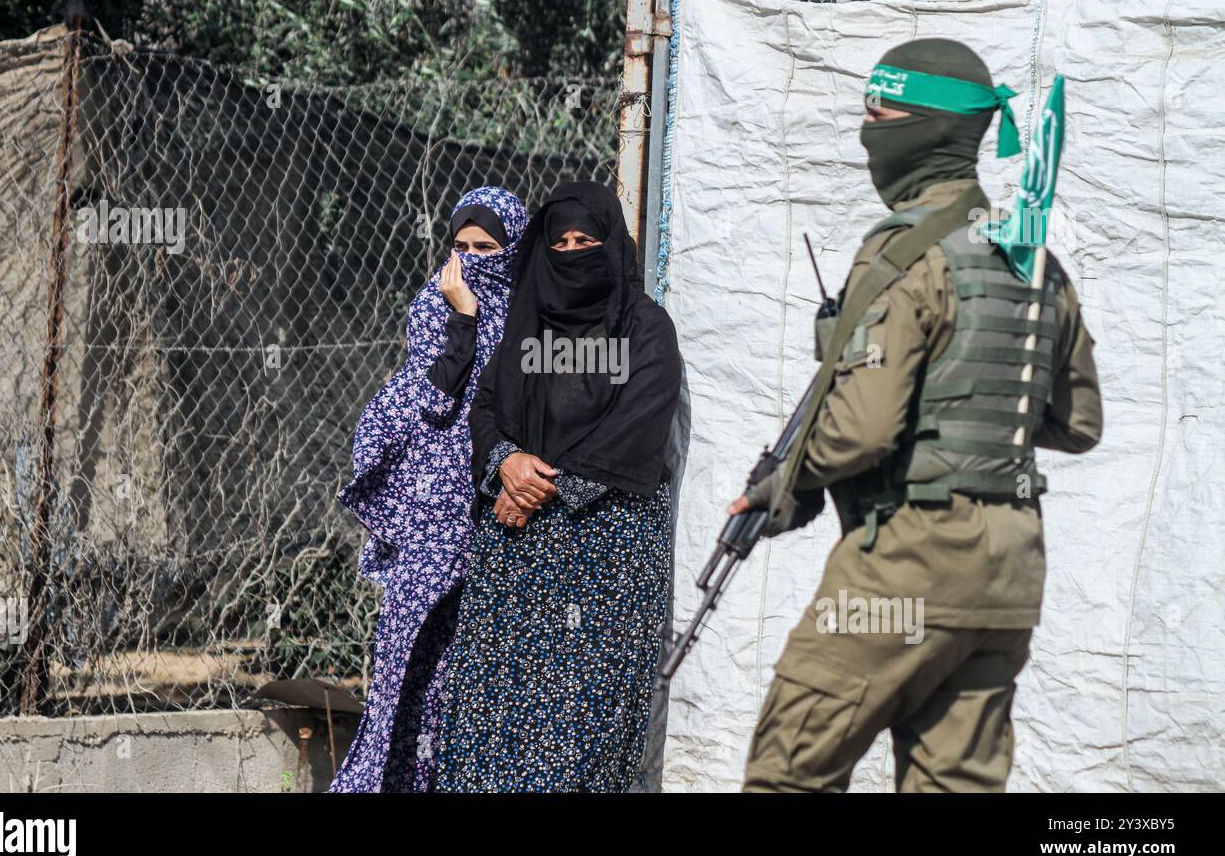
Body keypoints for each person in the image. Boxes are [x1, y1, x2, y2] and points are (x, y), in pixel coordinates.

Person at [734, 39, 1103, 792]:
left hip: (905, 570)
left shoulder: (901, 257)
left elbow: (861, 431)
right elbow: (1077, 422)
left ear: (928, 130)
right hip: (1007, 574)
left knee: (790, 770)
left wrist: (780, 488)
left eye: (880, 113)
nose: (868, 131)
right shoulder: (1033, 261)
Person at [435, 181, 682, 792]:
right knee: (491, 713)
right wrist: (507, 465)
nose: (573, 252)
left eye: (587, 240)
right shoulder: (528, 328)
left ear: (613, 245)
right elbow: (486, 407)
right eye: (561, 241)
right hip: (517, 548)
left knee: (579, 726)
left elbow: (635, 428)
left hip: (605, 551)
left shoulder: (644, 331)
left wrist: (538, 488)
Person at [328, 186, 529, 793]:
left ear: (512, 250)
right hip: (428, 523)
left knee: (465, 686)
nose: (470, 258)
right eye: (460, 246)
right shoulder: (432, 308)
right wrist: (463, 316)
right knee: (403, 674)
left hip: (497, 519)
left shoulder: (527, 319)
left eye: (486, 247)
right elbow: (436, 398)